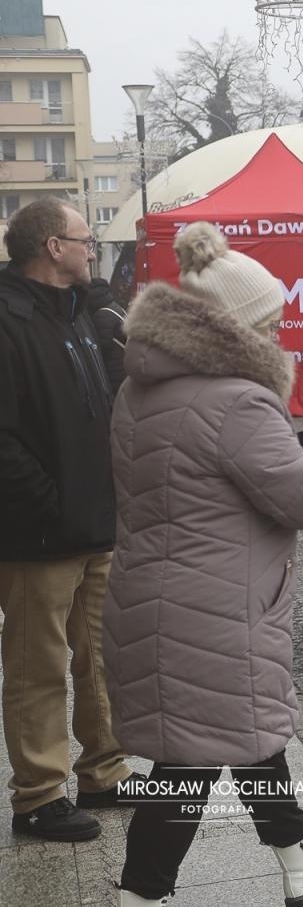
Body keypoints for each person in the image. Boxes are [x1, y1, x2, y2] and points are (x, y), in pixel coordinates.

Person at [105, 221, 303, 907]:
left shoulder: (138, 391)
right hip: (216, 604)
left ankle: (299, 860)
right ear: (234, 329)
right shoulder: (238, 400)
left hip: (163, 593)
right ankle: (140, 894)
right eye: (271, 321)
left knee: (234, 732)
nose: (280, 333)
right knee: (192, 761)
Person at [0, 199, 136, 844]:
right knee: (38, 665)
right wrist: (50, 501)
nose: (94, 251)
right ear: (53, 248)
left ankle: (103, 770)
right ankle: (38, 796)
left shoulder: (81, 315)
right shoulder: (7, 320)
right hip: (39, 533)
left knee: (101, 656)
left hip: (95, 522)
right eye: (86, 240)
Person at [86, 276, 130, 395]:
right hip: (124, 366)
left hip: (115, 370)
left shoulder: (102, 315)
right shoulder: (115, 307)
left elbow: (102, 348)